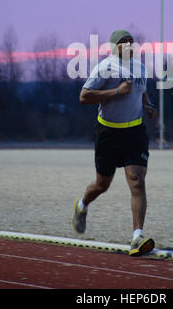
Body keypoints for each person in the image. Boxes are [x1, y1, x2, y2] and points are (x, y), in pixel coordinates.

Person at [71, 29, 158, 257]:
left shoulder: (139, 68)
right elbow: (84, 96)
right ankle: (81, 206)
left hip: (134, 133)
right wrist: (116, 91)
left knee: (136, 181)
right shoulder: (104, 67)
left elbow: (142, 92)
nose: (129, 45)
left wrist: (148, 106)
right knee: (102, 185)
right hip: (108, 133)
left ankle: (137, 238)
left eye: (131, 41)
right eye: (124, 42)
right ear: (114, 47)